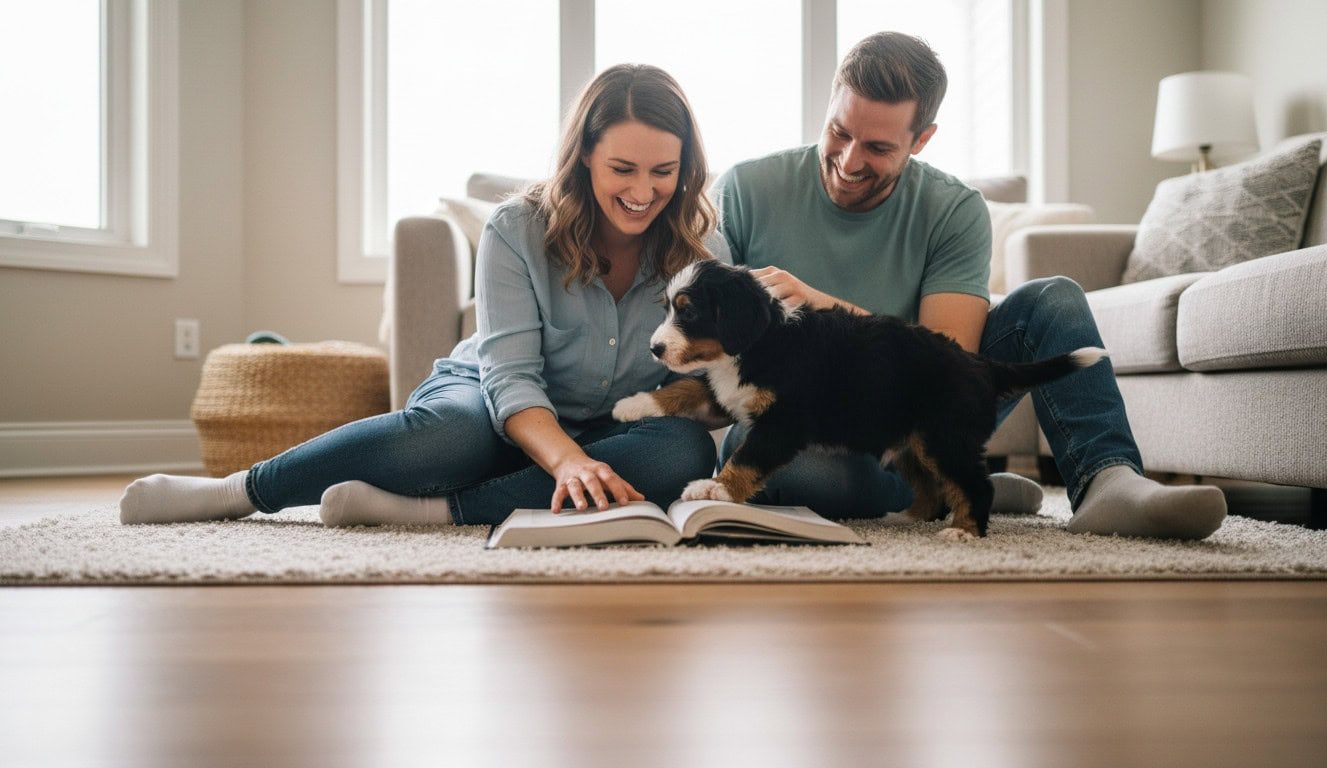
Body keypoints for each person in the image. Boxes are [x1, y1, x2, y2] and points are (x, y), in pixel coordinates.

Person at [120, 64, 726, 527]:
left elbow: (713, 381)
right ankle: (239, 491)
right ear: (586, 154)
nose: (644, 192)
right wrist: (564, 460)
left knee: (682, 455)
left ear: (686, 167)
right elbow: (510, 377)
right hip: (488, 399)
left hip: (609, 429)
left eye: (663, 172)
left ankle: (435, 511)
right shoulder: (516, 228)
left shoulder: (704, 252)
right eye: (623, 168)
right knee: (452, 439)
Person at [713, 32, 1226, 539]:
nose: (849, 162)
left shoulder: (954, 208)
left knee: (1053, 299)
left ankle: (1109, 481)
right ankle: (952, 488)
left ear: (921, 140)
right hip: (818, 427)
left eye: (877, 147)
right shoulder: (744, 190)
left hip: (922, 406)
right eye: (839, 133)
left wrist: (823, 305)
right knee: (779, 456)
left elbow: (949, 358)